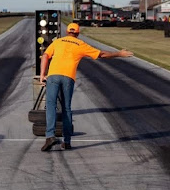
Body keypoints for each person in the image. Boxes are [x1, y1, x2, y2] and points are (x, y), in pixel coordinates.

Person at [38, 22, 134, 151]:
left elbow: (45, 56)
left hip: (53, 75)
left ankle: (50, 136)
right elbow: (101, 54)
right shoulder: (81, 44)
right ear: (77, 33)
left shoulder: (58, 42)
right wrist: (119, 54)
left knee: (51, 105)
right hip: (68, 77)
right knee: (66, 108)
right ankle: (66, 142)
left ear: (67, 32)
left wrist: (42, 74)